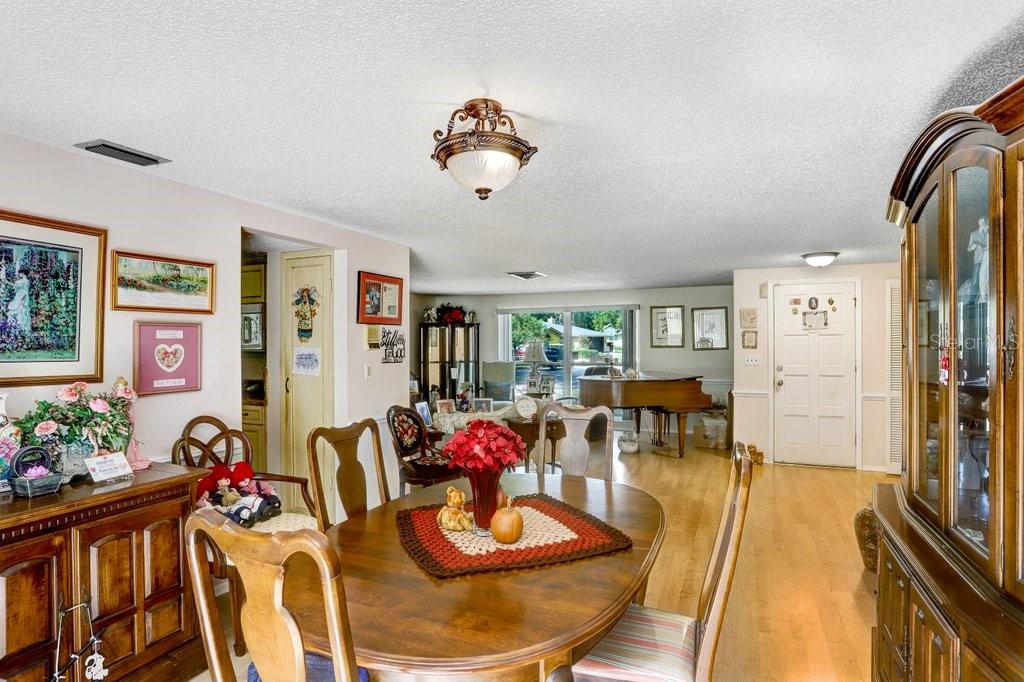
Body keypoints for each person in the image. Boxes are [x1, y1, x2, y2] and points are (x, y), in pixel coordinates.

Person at [7, 268, 31, 335]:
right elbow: (15, 286)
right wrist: (7, 282)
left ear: (23, 273)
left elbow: (25, 291)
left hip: (22, 297)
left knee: (21, 311)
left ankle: (21, 328)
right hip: (18, 296)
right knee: (17, 310)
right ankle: (15, 328)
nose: (19, 274)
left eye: (20, 273)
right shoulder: (22, 281)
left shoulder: (25, 281)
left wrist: (22, 299)